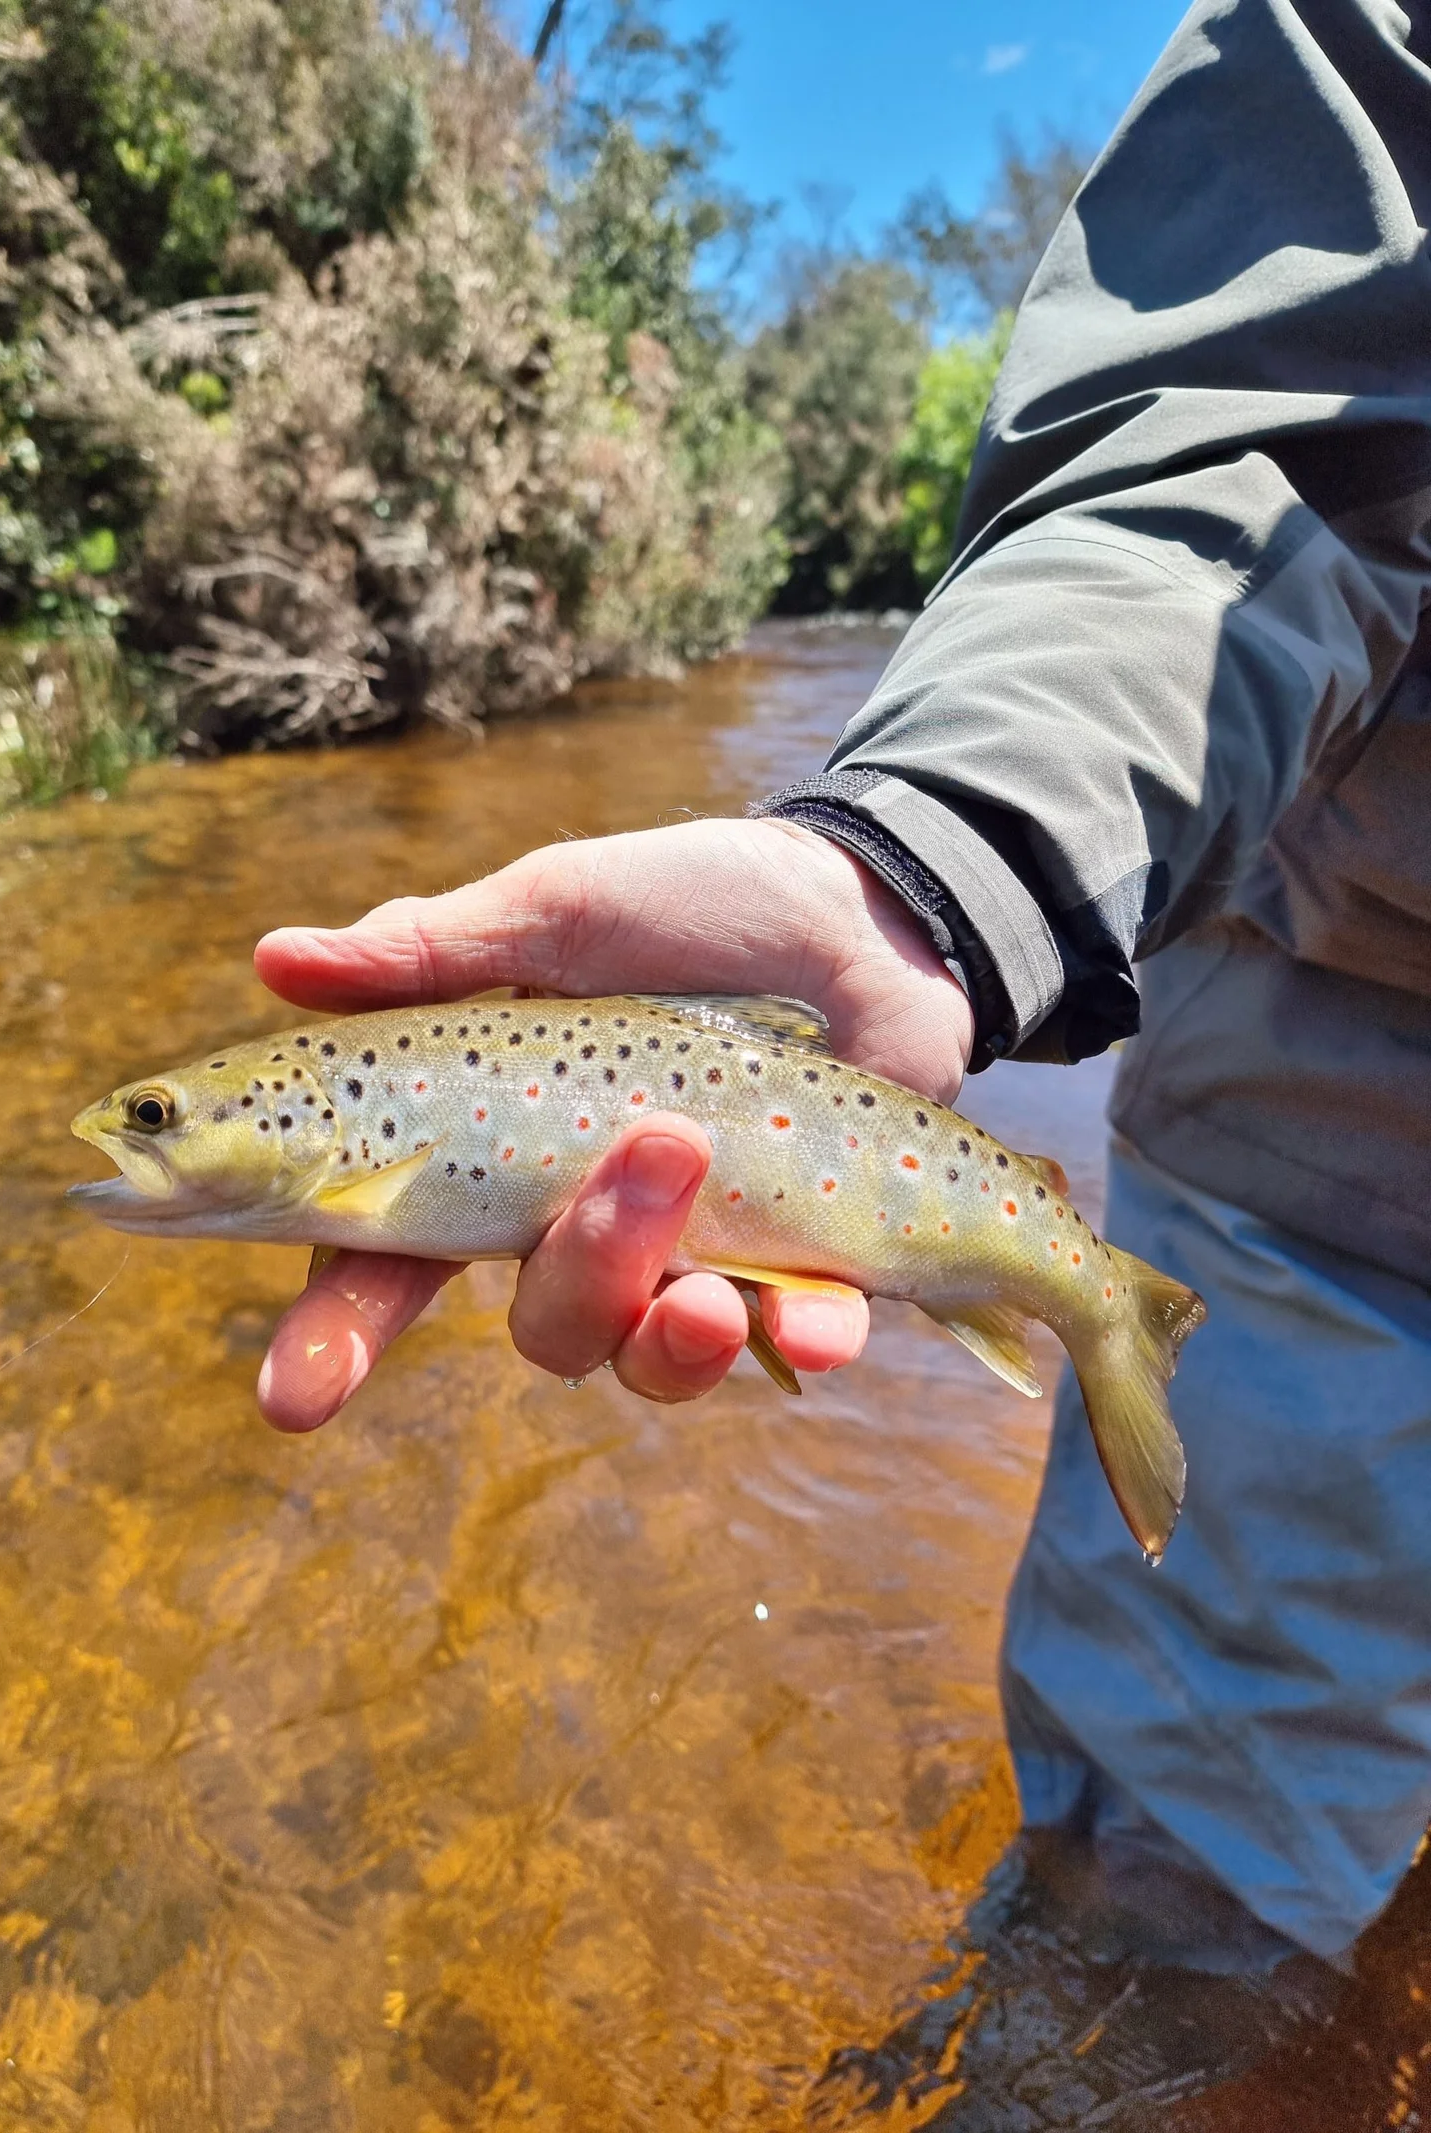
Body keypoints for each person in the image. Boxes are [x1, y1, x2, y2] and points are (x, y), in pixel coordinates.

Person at [255, 0, 1431, 1978]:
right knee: (1170, 1912)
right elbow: (1245, 449)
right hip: (1346, 1094)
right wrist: (931, 873)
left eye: (153, 1121)